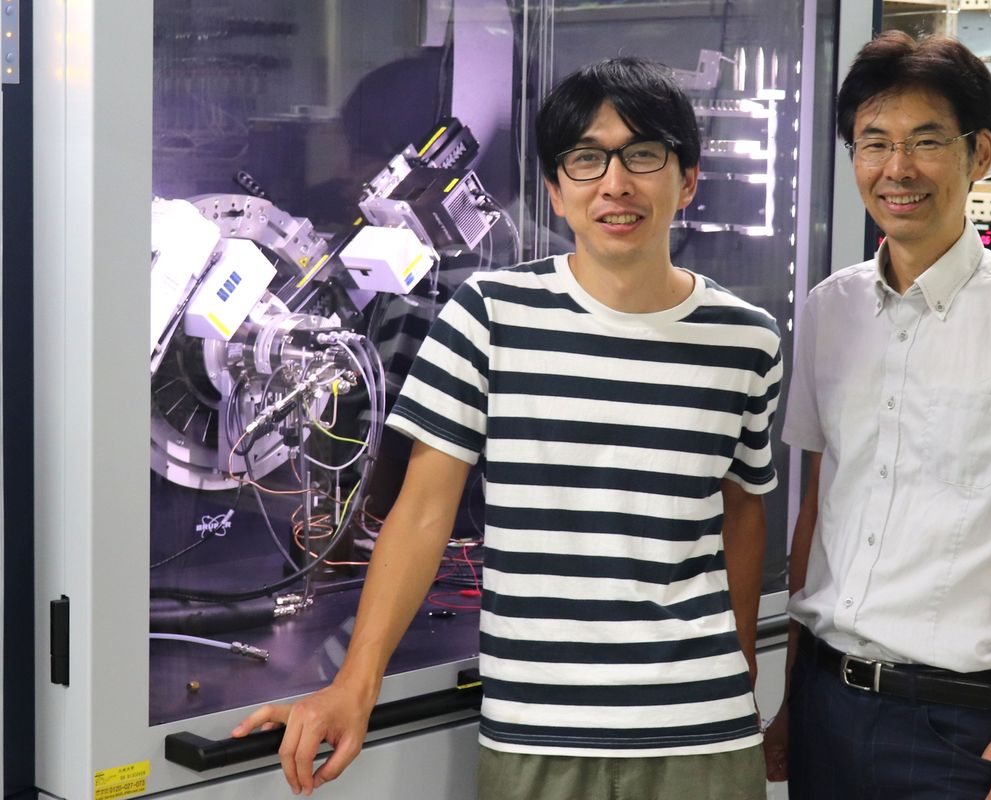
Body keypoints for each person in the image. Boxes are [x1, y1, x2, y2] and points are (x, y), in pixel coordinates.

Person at [233, 56, 782, 800]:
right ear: (557, 192)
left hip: (701, 733)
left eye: (643, 155)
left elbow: (742, 509)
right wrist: (352, 685)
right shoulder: (490, 315)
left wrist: (741, 670)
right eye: (586, 159)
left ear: (687, 181)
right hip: (536, 731)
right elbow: (421, 513)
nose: (615, 184)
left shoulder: (746, 339)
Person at [762, 31, 991, 800]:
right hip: (826, 703)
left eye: (926, 141)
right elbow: (821, 512)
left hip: (958, 729)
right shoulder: (828, 312)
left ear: (978, 154)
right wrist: (793, 697)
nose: (898, 168)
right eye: (874, 142)